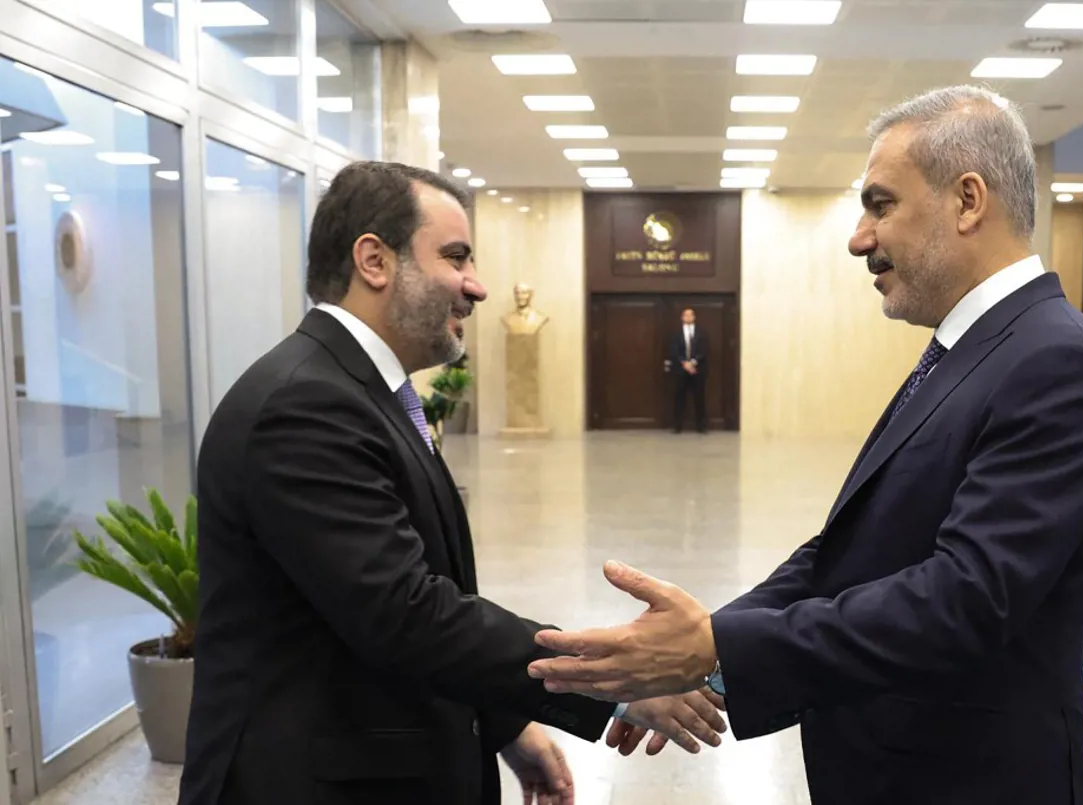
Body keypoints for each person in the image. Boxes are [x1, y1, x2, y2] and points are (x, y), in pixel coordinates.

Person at [525, 86, 1083, 805]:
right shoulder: (972, 348)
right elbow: (850, 551)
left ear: (967, 201)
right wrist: (702, 649)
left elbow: (965, 599)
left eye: (880, 205)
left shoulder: (1055, 363)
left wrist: (716, 649)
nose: (858, 237)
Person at [178, 161, 725, 805]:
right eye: (456, 257)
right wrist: (611, 677)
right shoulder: (307, 406)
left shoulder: (361, 392)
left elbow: (403, 601)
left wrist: (503, 723)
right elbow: (404, 613)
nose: (477, 286)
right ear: (374, 261)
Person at [667, 307, 708, 432]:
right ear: (682, 317)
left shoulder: (701, 333)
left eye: (691, 315)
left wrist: (693, 362)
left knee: (699, 397)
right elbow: (674, 351)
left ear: (694, 317)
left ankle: (701, 426)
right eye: (686, 315)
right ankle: (677, 425)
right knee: (679, 397)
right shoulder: (676, 334)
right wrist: (684, 363)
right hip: (680, 370)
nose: (688, 317)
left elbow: (704, 350)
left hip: (697, 370)